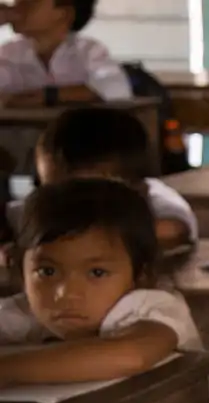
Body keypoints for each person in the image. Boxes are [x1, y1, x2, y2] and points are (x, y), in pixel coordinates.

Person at [0, 178, 202, 385]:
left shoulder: (152, 306)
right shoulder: (28, 311)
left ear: (140, 275)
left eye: (97, 273)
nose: (65, 293)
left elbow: (131, 355)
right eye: (47, 271)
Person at [5, 107, 197, 249]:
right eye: (54, 190)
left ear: (136, 186)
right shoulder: (45, 205)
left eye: (85, 193)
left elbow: (174, 231)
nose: (68, 203)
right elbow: (14, 219)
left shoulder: (159, 201)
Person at [0, 0, 131, 104]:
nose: (17, 7)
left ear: (64, 14)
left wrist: (51, 95)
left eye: (32, 2)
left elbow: (116, 89)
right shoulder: (10, 52)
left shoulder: (87, 51)